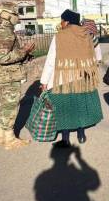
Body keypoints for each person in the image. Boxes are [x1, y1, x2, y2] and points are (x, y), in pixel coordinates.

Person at [40, 9, 103, 147]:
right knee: (78, 106)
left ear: (67, 21)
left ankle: (65, 139)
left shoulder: (59, 36)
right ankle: (81, 135)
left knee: (64, 108)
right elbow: (97, 57)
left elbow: (51, 61)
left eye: (62, 20)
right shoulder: (87, 35)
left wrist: (44, 81)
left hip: (63, 78)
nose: (61, 23)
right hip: (82, 79)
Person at [0, 2, 35, 150]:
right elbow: (2, 58)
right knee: (10, 107)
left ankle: (0, 136)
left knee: (5, 106)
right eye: (16, 15)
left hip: (5, 75)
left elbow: (5, 55)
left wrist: (25, 54)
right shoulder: (5, 32)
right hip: (9, 77)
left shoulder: (2, 30)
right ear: (8, 15)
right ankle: (9, 140)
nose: (18, 18)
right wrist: (24, 50)